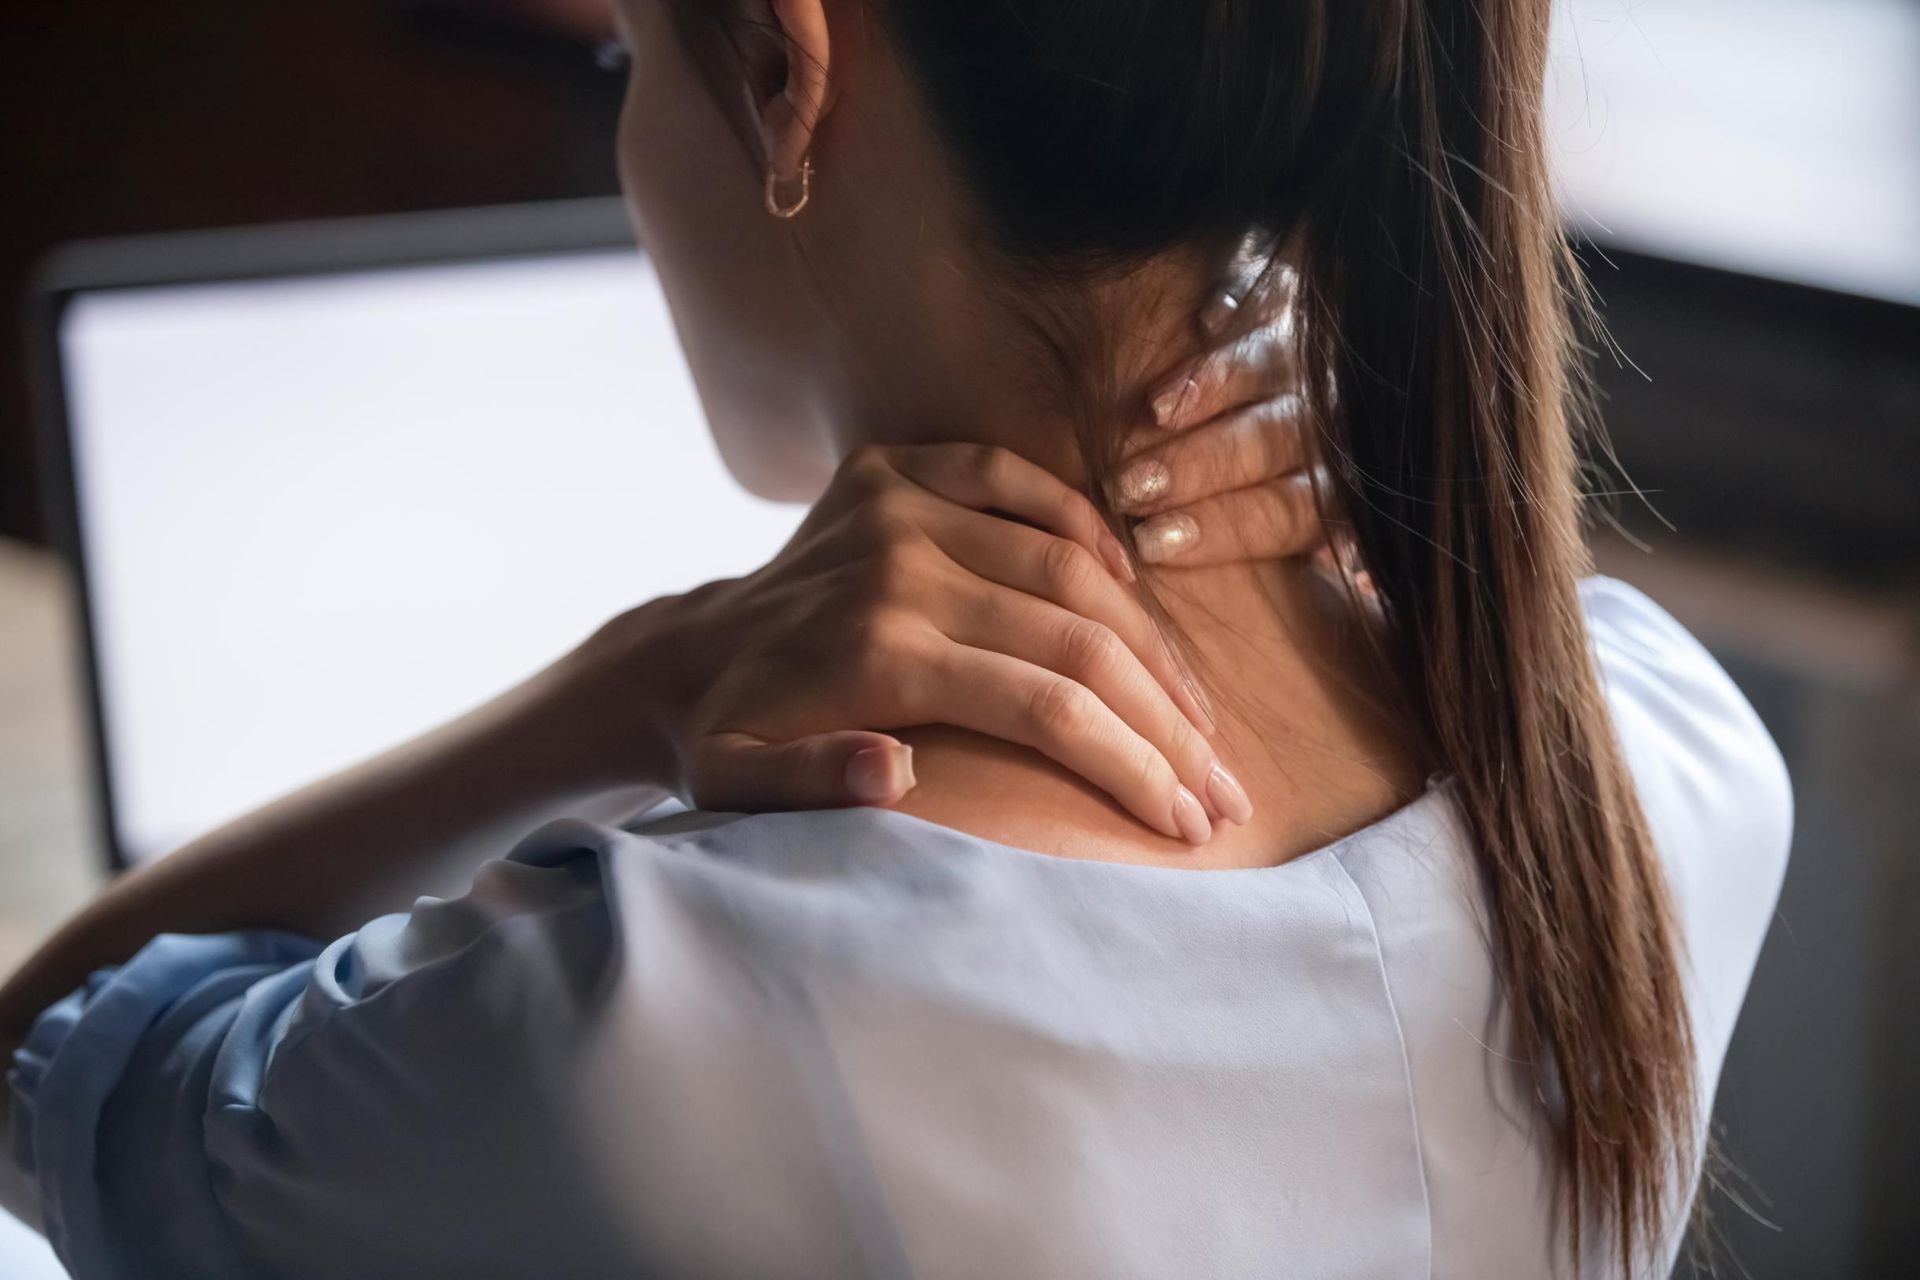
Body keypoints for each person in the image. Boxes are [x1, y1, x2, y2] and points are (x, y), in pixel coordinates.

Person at [1, 0, 1792, 1276]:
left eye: (637, 57)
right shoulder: (1661, 771)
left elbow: (42, 1060)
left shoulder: (622, 1034)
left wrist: (630, 688)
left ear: (787, 66)